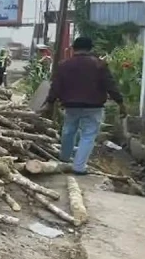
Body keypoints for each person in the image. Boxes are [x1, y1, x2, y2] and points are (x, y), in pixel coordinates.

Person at [41, 37, 127, 174]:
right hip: (94, 106)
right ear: (90, 48)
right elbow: (110, 85)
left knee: (68, 131)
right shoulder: (99, 65)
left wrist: (50, 103)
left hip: (71, 105)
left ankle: (64, 159)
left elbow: (55, 86)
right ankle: (79, 167)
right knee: (88, 135)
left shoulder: (64, 65)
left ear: (73, 48)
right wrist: (120, 103)